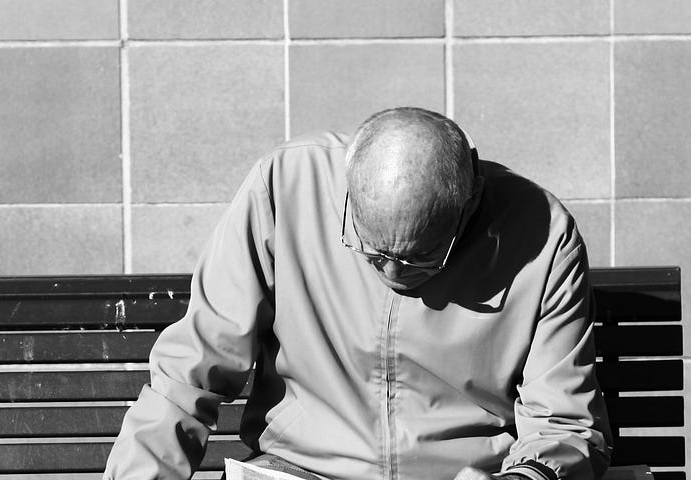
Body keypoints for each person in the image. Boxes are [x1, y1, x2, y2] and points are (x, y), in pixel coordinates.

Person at [104, 107, 610, 480]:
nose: (392, 272)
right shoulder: (286, 185)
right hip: (299, 469)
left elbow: (563, 422)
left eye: (420, 257)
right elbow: (189, 373)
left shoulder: (543, 237)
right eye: (371, 251)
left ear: (471, 199)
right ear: (346, 189)